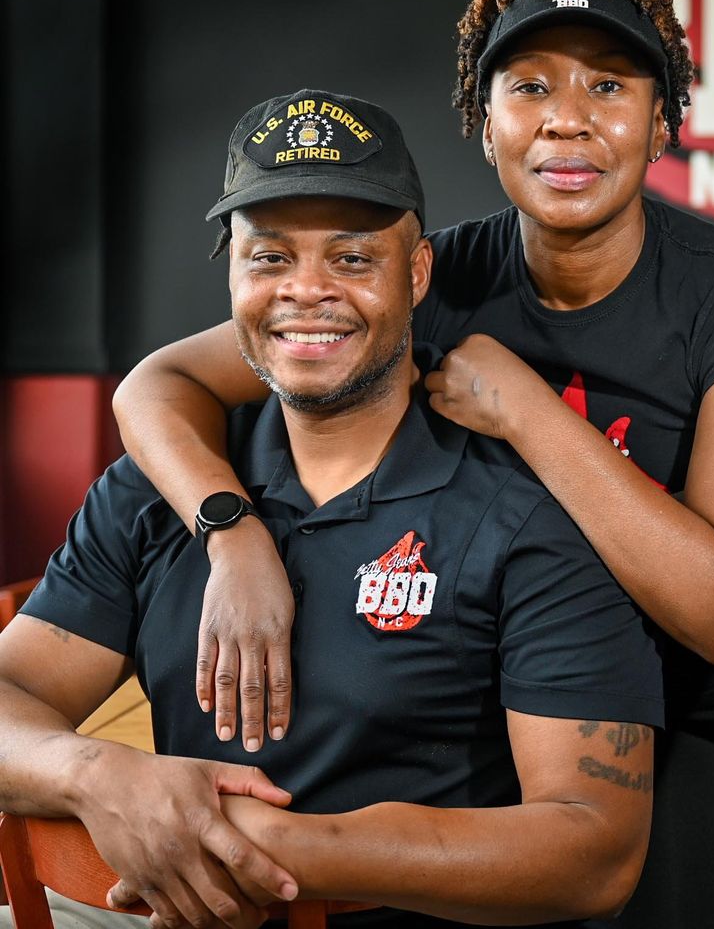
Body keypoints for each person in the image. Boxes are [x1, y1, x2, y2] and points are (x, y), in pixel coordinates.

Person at [112, 0, 714, 928]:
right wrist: (233, 534)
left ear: (661, 120)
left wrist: (526, 408)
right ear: (486, 123)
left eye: (609, 84)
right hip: (642, 677)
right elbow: (156, 385)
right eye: (529, 86)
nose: (567, 116)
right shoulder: (439, 279)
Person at [0, 88, 663, 929]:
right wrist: (98, 774)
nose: (306, 291)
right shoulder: (157, 491)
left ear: (417, 274)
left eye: (352, 259)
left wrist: (264, 851)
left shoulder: (526, 513)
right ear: (233, 272)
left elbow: (596, 844)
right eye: (269, 258)